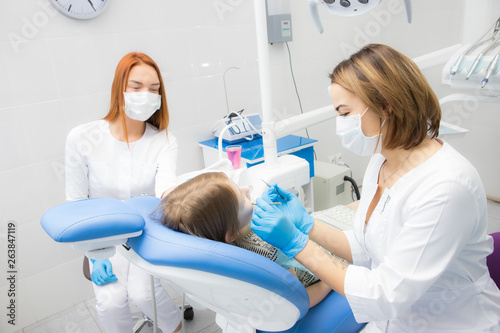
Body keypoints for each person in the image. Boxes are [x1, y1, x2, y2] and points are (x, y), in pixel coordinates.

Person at [251, 44, 500, 332]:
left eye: (345, 113)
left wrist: (297, 243)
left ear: (386, 104)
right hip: (393, 322)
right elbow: (369, 245)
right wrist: (307, 225)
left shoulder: (445, 187)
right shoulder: (382, 159)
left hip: (452, 323)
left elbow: (385, 295)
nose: (340, 125)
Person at [65, 52, 183, 333]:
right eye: (137, 86)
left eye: (154, 89)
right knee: (112, 301)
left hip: (146, 233)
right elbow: (76, 204)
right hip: (101, 237)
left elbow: (167, 191)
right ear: (120, 88)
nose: (147, 94)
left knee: (145, 295)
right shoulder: (82, 138)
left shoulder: (164, 141)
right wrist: (93, 255)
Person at [157, 171, 333, 308]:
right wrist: (328, 282)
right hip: (325, 264)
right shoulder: (270, 251)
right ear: (231, 233)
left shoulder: (227, 241)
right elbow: (299, 300)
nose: (247, 189)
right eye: (242, 199)